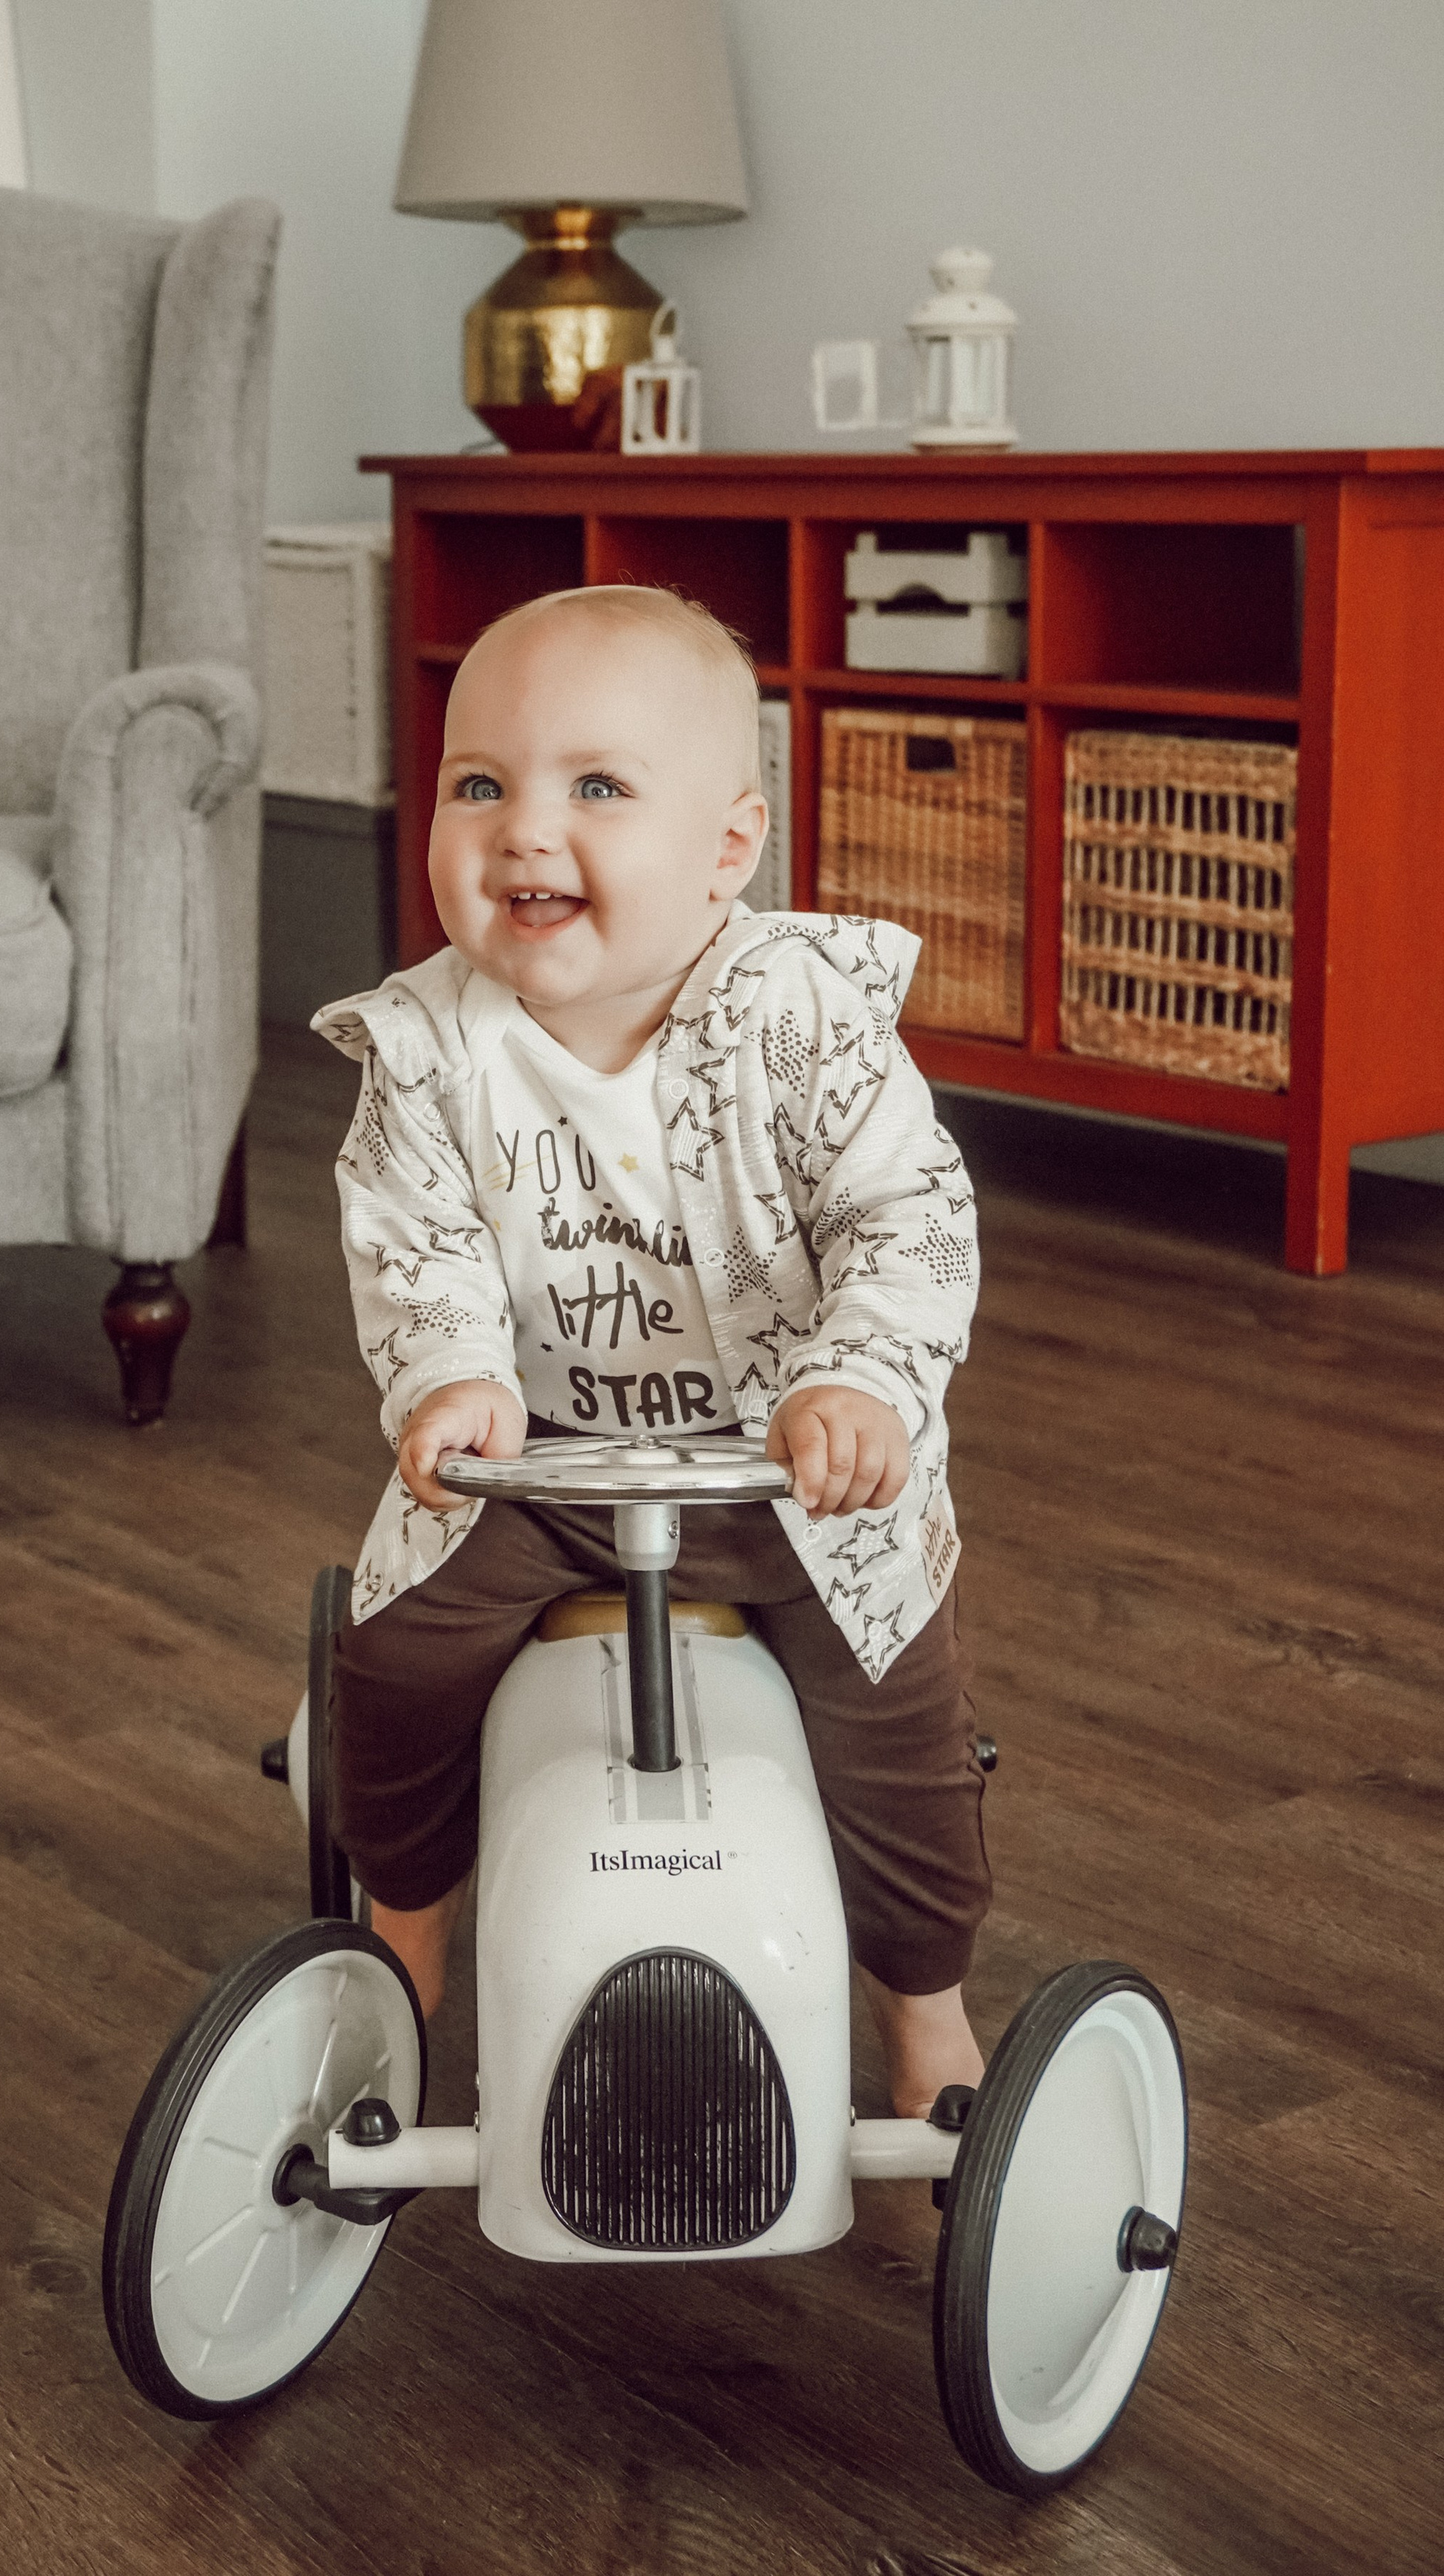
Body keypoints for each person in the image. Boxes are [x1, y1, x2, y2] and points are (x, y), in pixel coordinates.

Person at [312, 584, 989, 2119]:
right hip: (535, 1469)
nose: (522, 832)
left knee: (893, 1720)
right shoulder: (429, 1048)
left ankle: (922, 2003)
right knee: (397, 1652)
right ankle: (401, 1933)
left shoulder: (801, 1023)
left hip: (787, 1480)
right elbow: (413, 1238)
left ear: (726, 851)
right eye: (478, 783)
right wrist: (447, 1375)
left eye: (596, 789)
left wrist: (857, 1382)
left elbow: (905, 1215)